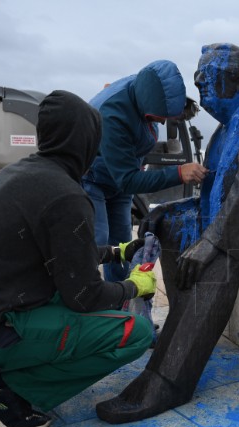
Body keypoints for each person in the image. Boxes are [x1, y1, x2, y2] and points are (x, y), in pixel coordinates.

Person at [96, 43, 239, 424]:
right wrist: (166, 213)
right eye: (198, 82)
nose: (200, 91)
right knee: (167, 224)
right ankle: (179, 339)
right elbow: (209, 199)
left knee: (225, 252)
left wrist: (212, 240)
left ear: (236, 80)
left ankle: (168, 381)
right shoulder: (220, 133)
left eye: (206, 81)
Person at [0, 90, 157, 427]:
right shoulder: (66, 195)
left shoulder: (21, 174)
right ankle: (6, 392)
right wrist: (133, 287)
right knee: (135, 333)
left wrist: (118, 252)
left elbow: (59, 252)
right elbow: (84, 296)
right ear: (86, 142)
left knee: (68, 298)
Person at [82, 60, 207, 284]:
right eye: (161, 118)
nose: (163, 121)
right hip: (92, 179)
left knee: (123, 247)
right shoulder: (113, 116)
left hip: (118, 182)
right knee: (97, 241)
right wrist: (178, 173)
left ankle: (118, 303)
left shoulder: (145, 89)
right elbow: (128, 180)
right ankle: (83, 301)